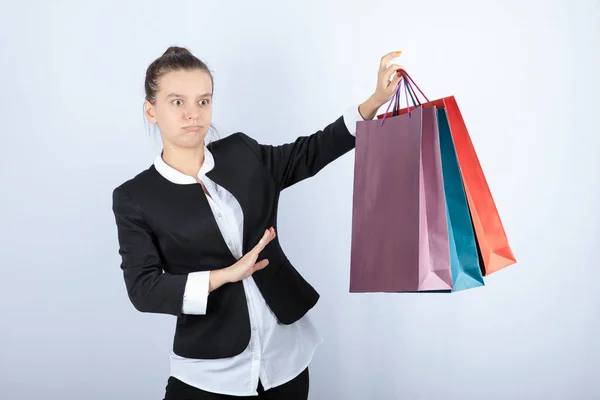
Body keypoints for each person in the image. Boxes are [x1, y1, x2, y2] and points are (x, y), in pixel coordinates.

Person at [111, 46, 404, 400]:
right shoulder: (135, 196)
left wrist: (372, 102)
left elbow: (308, 152)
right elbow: (143, 289)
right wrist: (226, 275)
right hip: (210, 370)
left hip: (285, 358)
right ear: (151, 110)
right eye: (177, 102)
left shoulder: (242, 154)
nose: (193, 114)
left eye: (203, 101)